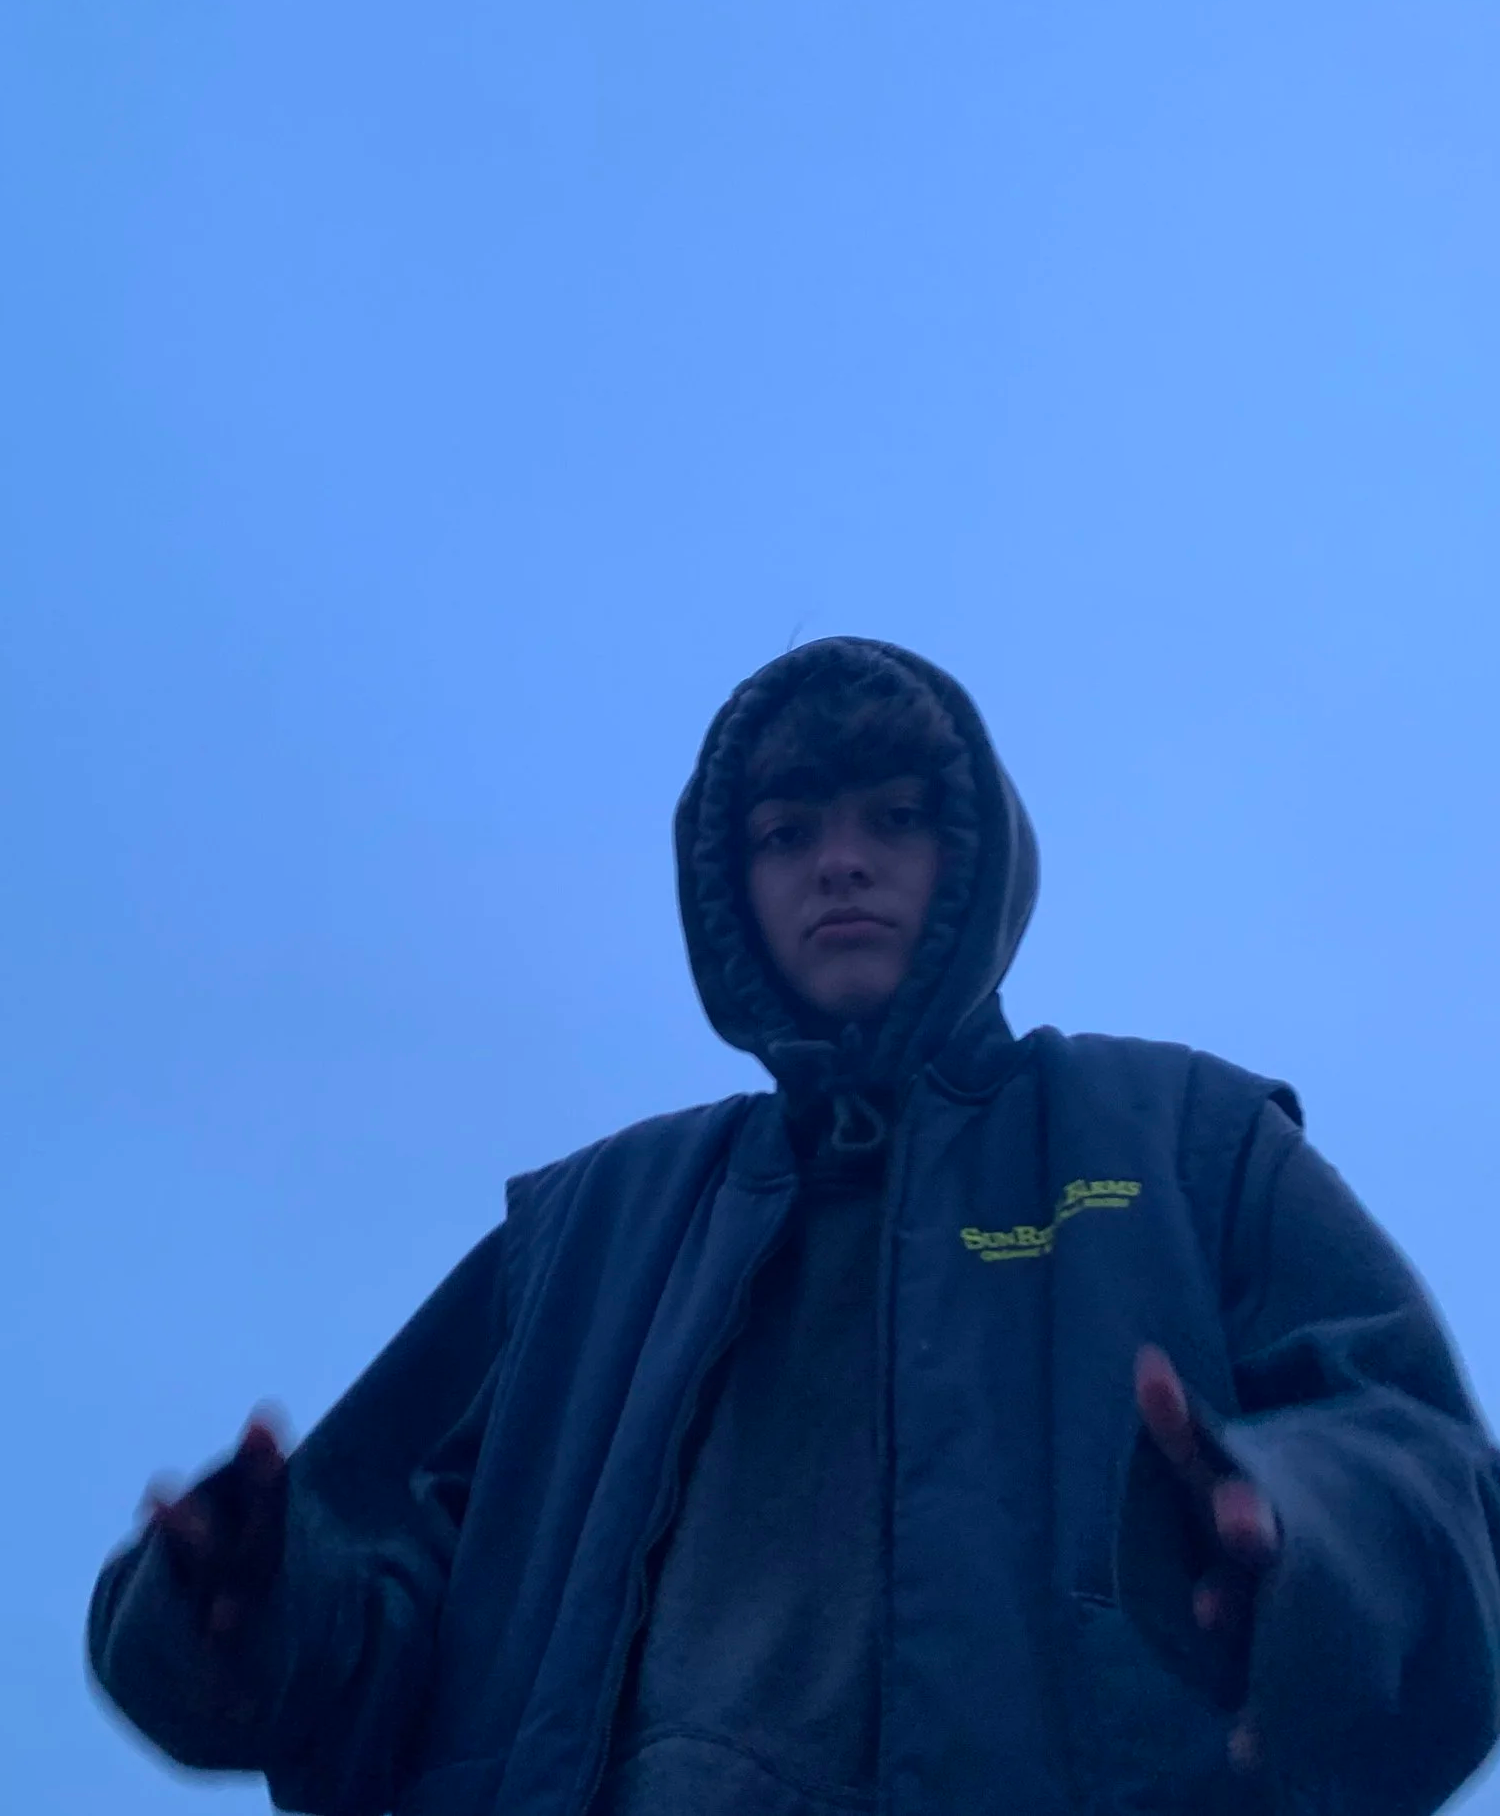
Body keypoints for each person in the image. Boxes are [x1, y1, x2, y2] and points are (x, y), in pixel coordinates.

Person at [89, 637, 1500, 1816]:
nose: (841, 863)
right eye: (788, 832)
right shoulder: (586, 1231)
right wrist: (251, 1605)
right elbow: (368, 1598)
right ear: (730, 888)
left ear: (973, 859)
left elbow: (1429, 1472)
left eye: (896, 818)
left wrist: (1301, 1546)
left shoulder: (1178, 1140)